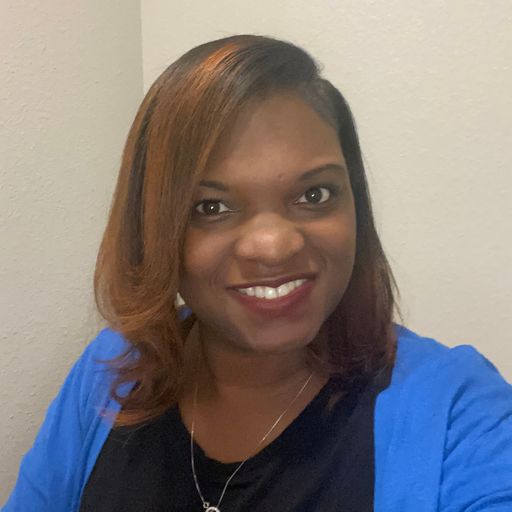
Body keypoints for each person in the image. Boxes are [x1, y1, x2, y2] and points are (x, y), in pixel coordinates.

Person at [3, 34, 512, 512]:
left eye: (314, 194)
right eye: (211, 207)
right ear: (153, 227)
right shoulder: (112, 371)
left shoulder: (457, 411)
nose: (274, 246)